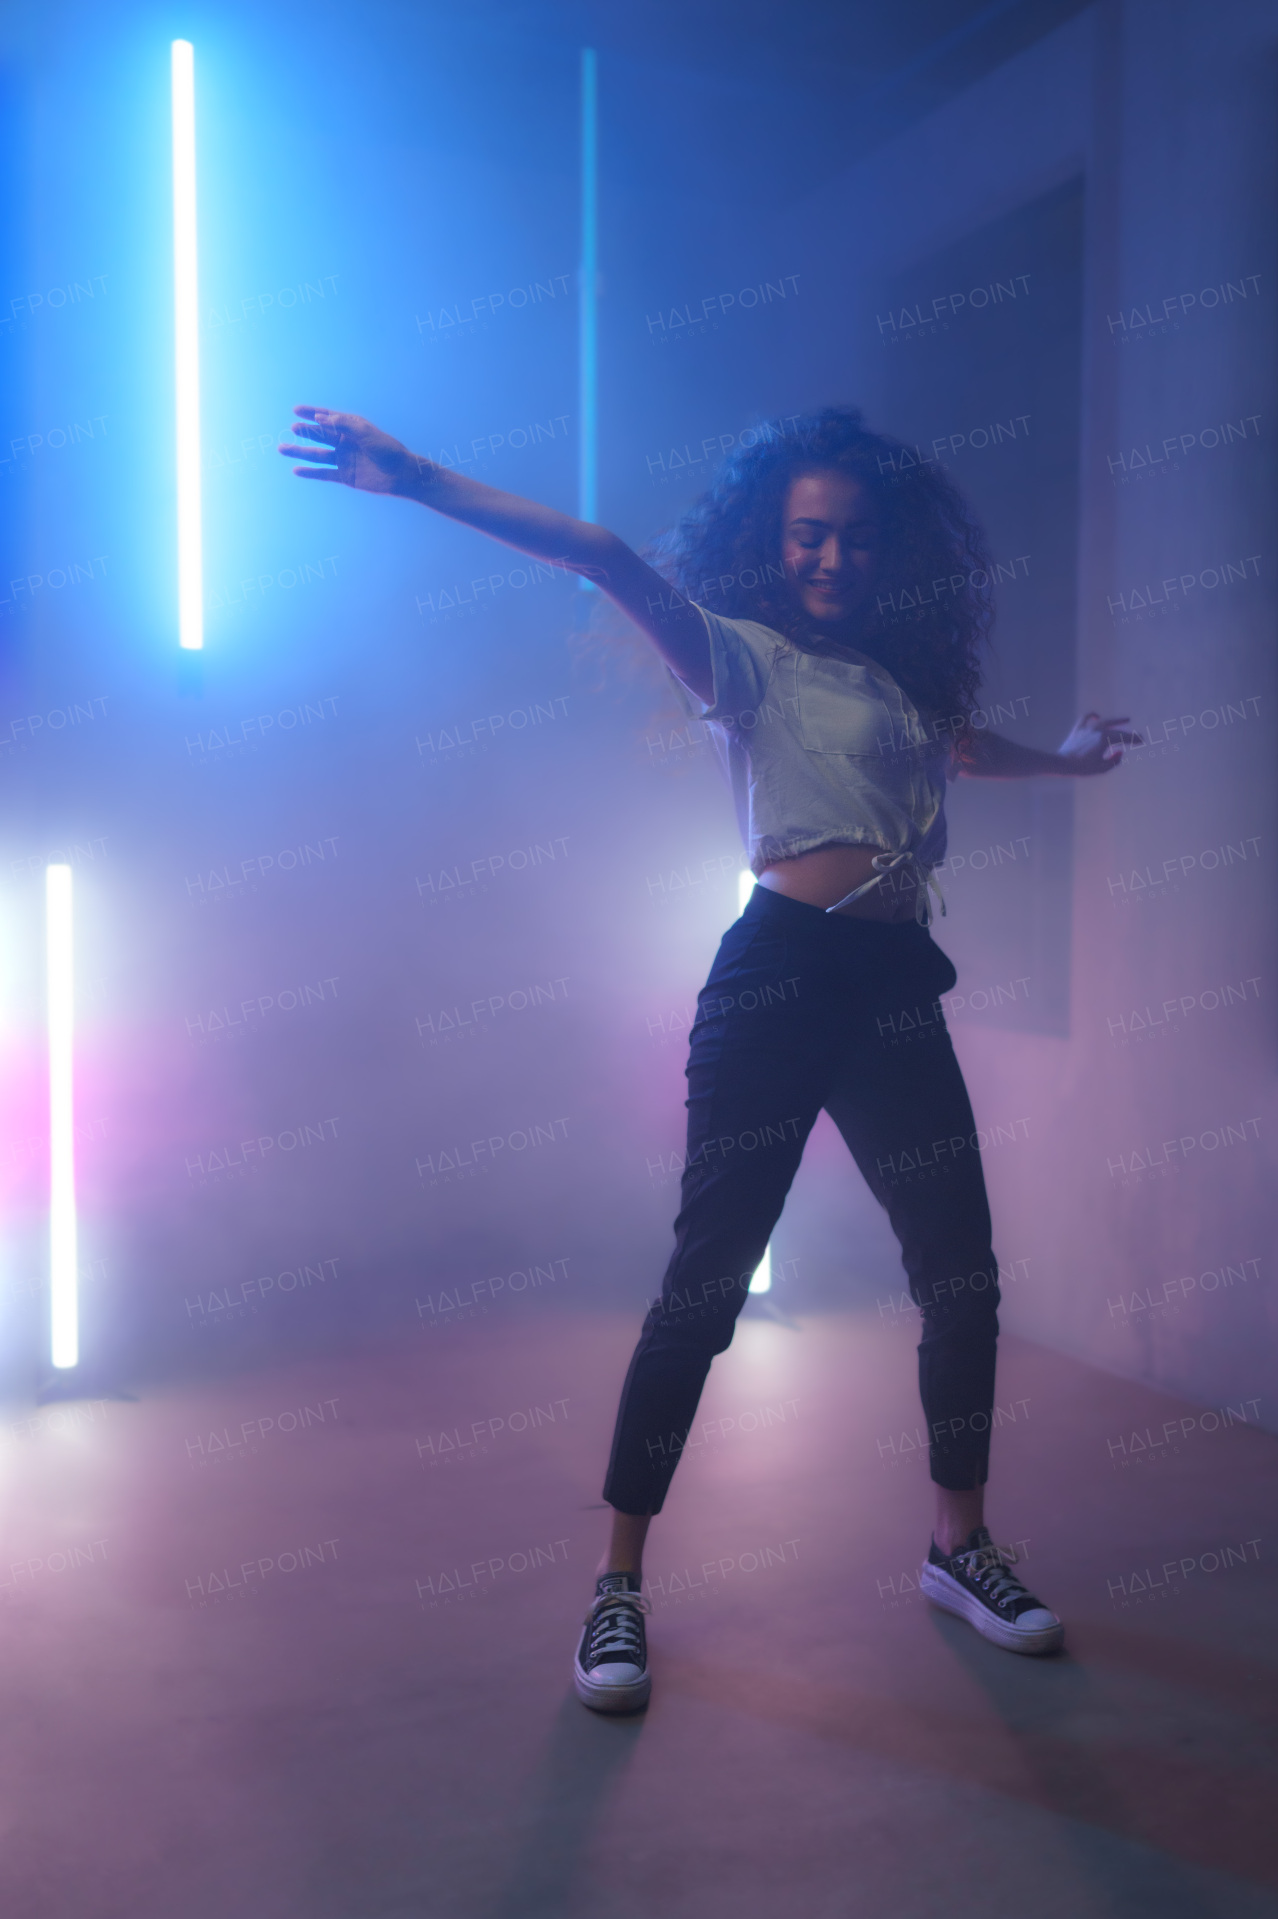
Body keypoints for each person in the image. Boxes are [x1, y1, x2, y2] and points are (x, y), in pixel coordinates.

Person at [281, 403, 1137, 1713]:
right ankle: (617, 1587)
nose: (830, 559)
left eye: (852, 539)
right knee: (706, 1288)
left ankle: (960, 1548)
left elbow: (963, 750)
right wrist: (415, 480)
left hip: (896, 983)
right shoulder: (743, 659)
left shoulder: (903, 683)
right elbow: (608, 556)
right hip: (781, 979)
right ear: (769, 544)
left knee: (962, 1275)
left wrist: (1070, 766)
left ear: (885, 550)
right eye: (806, 536)